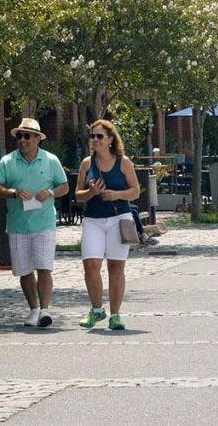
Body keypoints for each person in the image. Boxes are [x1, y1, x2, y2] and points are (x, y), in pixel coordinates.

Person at [0, 118, 70, 328]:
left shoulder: (50, 160)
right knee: (25, 271)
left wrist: (51, 192)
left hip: (44, 222)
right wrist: (13, 193)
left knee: (44, 267)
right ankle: (33, 309)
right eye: (19, 136)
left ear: (37, 139)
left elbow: (64, 186)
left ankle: (44, 310)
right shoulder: (7, 161)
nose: (22, 140)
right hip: (18, 223)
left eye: (27, 136)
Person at [76, 119, 141, 331]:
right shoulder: (87, 163)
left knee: (116, 266)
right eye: (92, 136)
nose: (94, 140)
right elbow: (78, 196)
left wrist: (116, 195)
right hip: (93, 219)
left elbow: (135, 191)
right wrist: (91, 192)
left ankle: (115, 315)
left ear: (110, 139)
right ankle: (96, 310)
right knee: (91, 264)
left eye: (99, 136)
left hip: (119, 219)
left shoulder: (124, 162)